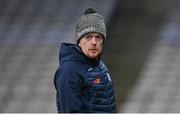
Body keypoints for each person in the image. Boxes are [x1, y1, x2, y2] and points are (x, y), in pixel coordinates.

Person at [54, 8, 116, 113]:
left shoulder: (101, 66)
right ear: (79, 41)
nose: (94, 42)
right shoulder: (69, 71)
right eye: (88, 37)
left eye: (98, 37)